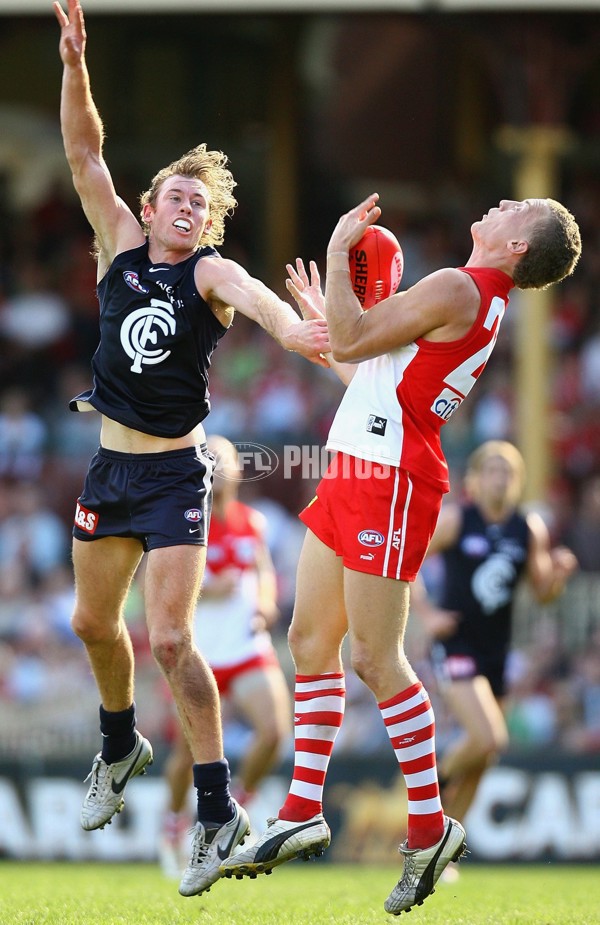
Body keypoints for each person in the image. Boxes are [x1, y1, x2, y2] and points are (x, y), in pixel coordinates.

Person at [220, 192, 582, 915]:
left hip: (388, 476)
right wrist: (336, 316)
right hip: (361, 458)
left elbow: (354, 345)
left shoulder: (458, 284)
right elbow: (367, 375)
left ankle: (428, 826)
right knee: (310, 639)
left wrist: (337, 249)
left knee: (374, 659)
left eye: (519, 208)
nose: (504, 201)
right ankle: (301, 809)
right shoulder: (472, 296)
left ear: (517, 247)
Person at [53, 0, 329, 900]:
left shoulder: (206, 270)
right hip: (108, 466)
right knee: (93, 625)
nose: (187, 207)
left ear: (205, 224)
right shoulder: (119, 248)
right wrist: (74, 64)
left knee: (169, 636)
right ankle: (120, 741)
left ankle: (216, 811)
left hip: (175, 470)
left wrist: (301, 330)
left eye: (200, 204)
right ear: (149, 206)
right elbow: (86, 153)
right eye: (177, 195)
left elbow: (256, 297)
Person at [412, 441, 578, 854]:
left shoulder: (528, 528)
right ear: (475, 479)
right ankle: (427, 802)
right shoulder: (457, 520)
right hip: (457, 643)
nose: (500, 479)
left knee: (483, 760)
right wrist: (428, 614)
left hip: (497, 652)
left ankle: (440, 851)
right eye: (493, 470)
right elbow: (409, 558)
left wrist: (556, 575)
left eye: (508, 472)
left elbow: (541, 592)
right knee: (489, 739)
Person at [159, 435, 291, 878]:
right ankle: (174, 823)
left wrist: (267, 602)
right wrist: (205, 590)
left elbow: (264, 570)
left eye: (223, 459)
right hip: (202, 653)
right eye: (208, 459)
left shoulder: (253, 521)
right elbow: (155, 587)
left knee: (274, 731)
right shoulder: (183, 519)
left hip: (246, 646)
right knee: (187, 753)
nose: (216, 467)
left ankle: (242, 805)